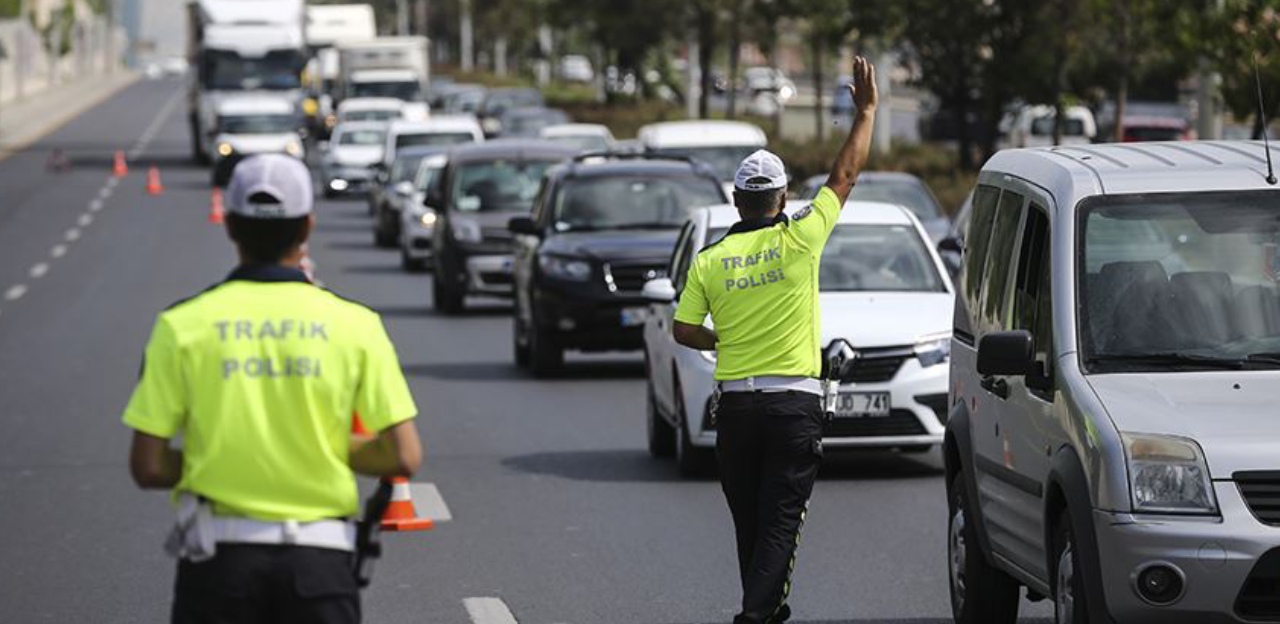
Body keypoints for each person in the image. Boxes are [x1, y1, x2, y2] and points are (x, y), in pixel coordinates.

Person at [122, 154, 423, 624]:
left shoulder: (180, 327)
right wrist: (314, 447)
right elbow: (403, 455)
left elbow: (148, 464)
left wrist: (224, 456)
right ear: (306, 228)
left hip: (218, 567)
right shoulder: (356, 326)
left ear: (231, 226)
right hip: (320, 569)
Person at [672, 56, 879, 624]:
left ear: (737, 201)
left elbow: (682, 329)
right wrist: (865, 112)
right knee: (780, 525)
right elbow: (844, 177)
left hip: (736, 409)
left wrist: (721, 337)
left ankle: (761, 610)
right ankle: (755, 617)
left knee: (752, 526)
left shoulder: (710, 261)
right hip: (794, 407)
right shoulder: (801, 240)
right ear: (782, 200)